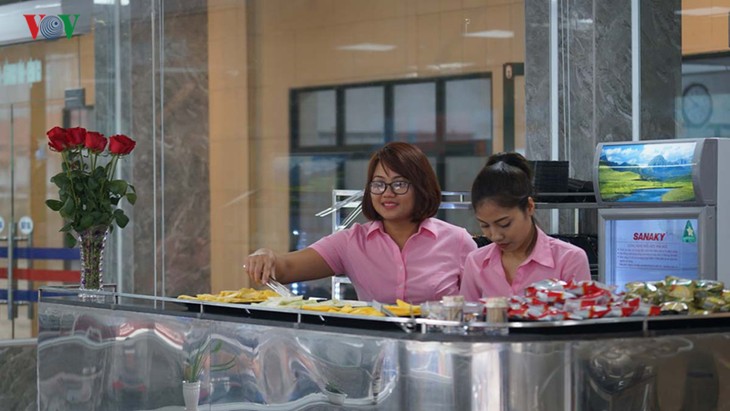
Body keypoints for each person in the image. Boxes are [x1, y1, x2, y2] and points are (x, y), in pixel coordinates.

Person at [243, 142, 477, 304]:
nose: (387, 193)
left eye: (399, 184)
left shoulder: (458, 241)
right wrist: (267, 256)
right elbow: (286, 268)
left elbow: (480, 309)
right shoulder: (351, 242)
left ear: (421, 187)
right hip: (378, 363)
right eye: (378, 184)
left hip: (443, 363)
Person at [459, 152, 591, 301]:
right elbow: (467, 318)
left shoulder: (569, 259)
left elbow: (582, 319)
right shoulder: (476, 262)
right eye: (485, 225)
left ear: (529, 206)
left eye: (504, 224)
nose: (495, 235)